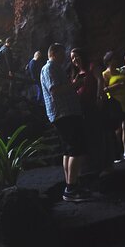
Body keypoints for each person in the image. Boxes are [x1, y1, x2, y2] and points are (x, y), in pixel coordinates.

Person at [41, 43, 91, 201]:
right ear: (54, 53)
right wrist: (75, 84)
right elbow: (55, 90)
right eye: (63, 54)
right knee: (75, 148)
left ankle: (72, 184)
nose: (65, 58)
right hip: (64, 113)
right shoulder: (50, 68)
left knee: (69, 150)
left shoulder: (54, 68)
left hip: (65, 113)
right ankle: (70, 188)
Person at [70, 48, 111, 174]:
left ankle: (104, 165)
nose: (75, 59)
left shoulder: (91, 66)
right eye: (72, 58)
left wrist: (99, 96)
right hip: (83, 108)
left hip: (94, 105)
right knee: (89, 136)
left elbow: (100, 80)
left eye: (76, 56)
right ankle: (93, 166)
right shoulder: (75, 73)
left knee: (99, 134)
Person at [102, 51, 125, 159]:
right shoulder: (105, 74)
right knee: (118, 128)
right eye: (113, 59)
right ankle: (118, 152)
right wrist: (117, 85)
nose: (116, 61)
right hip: (115, 102)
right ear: (108, 61)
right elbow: (104, 90)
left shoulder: (119, 71)